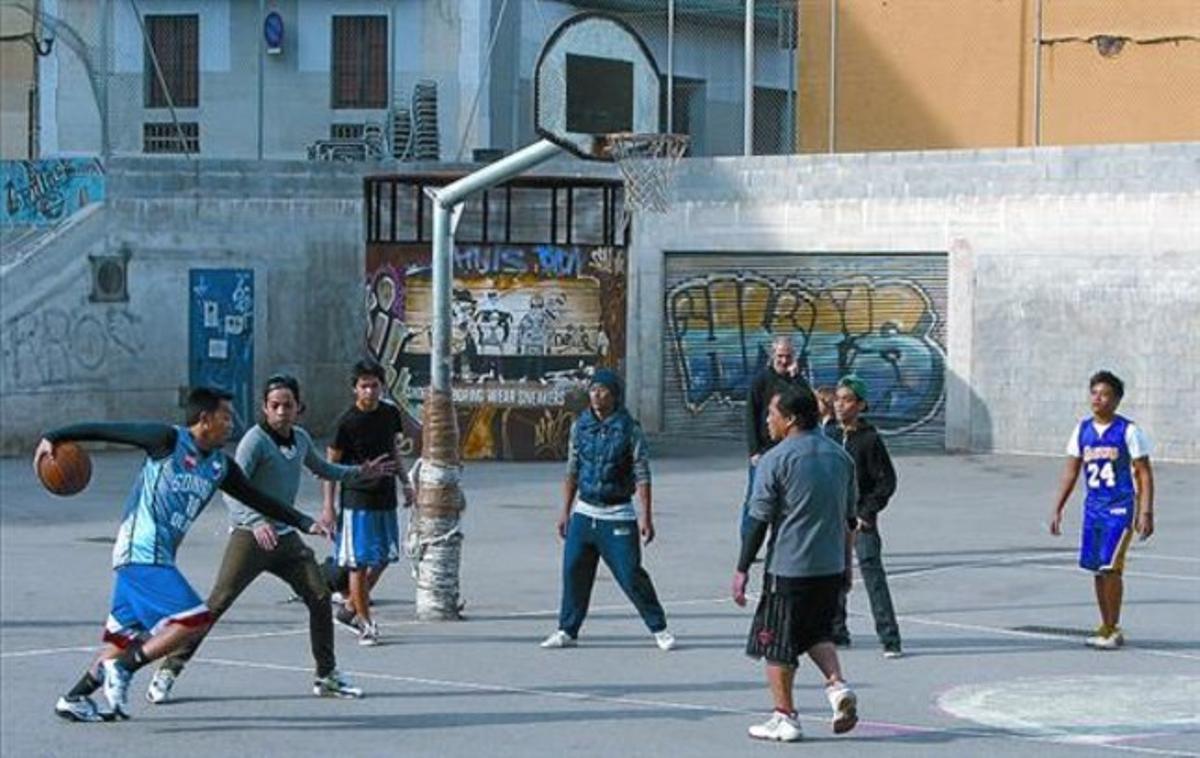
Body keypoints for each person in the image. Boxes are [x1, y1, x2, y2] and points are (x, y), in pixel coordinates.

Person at [38, 387, 330, 722]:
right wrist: (55, 436)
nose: (232, 423)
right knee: (194, 620)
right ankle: (126, 668)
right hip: (141, 553)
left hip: (155, 558)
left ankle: (73, 698)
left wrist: (305, 522)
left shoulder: (220, 465)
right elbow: (109, 430)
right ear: (204, 420)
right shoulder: (166, 441)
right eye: (225, 416)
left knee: (120, 640)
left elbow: (257, 499)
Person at [146, 374, 397, 704]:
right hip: (251, 537)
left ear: (298, 408)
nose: (281, 411)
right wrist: (254, 520)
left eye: (288, 405)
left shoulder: (301, 439)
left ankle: (327, 676)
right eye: (274, 405)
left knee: (320, 597)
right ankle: (168, 670)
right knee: (216, 604)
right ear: (264, 408)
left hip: (285, 538)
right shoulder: (254, 441)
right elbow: (230, 488)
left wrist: (358, 472)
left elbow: (323, 468)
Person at [732, 386, 859, 743]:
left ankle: (785, 716)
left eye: (772, 413)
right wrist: (847, 567)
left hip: (789, 568)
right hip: (830, 566)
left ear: (789, 420)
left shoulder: (776, 459)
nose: (767, 420)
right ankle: (837, 688)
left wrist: (742, 568)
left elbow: (758, 520)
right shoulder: (840, 457)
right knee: (816, 632)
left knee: (777, 644)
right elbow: (850, 520)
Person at [540, 368, 676, 651]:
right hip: (585, 512)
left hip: (617, 514)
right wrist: (565, 512)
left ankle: (659, 628)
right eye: (592, 390)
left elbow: (642, 473)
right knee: (573, 571)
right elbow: (572, 469)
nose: (596, 395)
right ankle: (567, 630)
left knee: (630, 574)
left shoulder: (629, 429)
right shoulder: (581, 426)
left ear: (615, 396)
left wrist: (646, 516)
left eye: (602, 390)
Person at [1050, 370, 1154, 649]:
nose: (1098, 398)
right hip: (1093, 508)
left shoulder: (1129, 431)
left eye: (1105, 394)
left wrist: (1145, 512)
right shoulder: (1081, 430)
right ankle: (1106, 625)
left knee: (1111, 567)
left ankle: (1113, 627)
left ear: (1117, 400)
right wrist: (1058, 507)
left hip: (1120, 508)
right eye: (1094, 393)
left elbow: (1144, 473)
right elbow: (1071, 472)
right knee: (1097, 569)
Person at [322, 359, 413, 646]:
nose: (370, 391)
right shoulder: (345, 423)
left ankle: (350, 607)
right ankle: (365, 622)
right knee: (358, 563)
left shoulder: (389, 414)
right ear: (354, 389)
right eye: (364, 386)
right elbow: (330, 466)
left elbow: (393, 452)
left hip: (384, 498)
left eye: (374, 386)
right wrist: (329, 506)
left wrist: (406, 482)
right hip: (356, 501)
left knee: (385, 556)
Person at [827, 375, 902, 657]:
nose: (839, 405)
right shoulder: (830, 434)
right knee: (833, 574)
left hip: (860, 520)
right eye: (837, 398)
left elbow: (887, 482)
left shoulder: (869, 440)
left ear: (861, 405)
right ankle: (837, 630)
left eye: (846, 400)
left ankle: (890, 638)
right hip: (834, 518)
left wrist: (867, 511)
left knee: (872, 574)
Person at [742, 336, 809, 540]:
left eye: (788, 356)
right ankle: (749, 539)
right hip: (765, 450)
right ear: (773, 356)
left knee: (789, 498)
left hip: (791, 448)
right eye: (780, 356)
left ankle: (782, 539)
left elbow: (808, 405)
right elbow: (751, 416)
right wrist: (754, 451)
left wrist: (796, 377)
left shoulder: (796, 380)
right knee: (756, 498)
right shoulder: (761, 381)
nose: (784, 360)